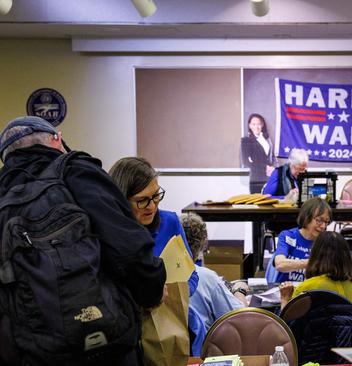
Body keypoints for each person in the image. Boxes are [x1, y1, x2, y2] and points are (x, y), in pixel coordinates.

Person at [0, 116, 166, 365]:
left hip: (31, 352)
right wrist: (152, 290)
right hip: (106, 344)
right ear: (57, 139)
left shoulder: (4, 196)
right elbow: (127, 248)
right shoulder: (75, 171)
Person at [108, 157, 205, 357]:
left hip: (173, 324)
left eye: (156, 196)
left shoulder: (169, 222)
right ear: (121, 199)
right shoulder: (109, 233)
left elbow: (192, 275)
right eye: (142, 200)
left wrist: (171, 293)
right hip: (128, 334)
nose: (152, 206)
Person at [279, 231, 352, 327]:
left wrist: (285, 299)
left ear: (315, 255)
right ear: (346, 255)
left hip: (316, 347)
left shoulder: (307, 287)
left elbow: (288, 325)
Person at [180, 213, 247, 332]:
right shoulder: (206, 277)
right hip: (201, 348)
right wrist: (239, 291)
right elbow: (241, 318)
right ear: (202, 243)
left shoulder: (159, 272)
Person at [266, 197, 331, 283]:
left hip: (310, 292)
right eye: (319, 220)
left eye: (326, 222)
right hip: (284, 290)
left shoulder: (325, 242)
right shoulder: (288, 236)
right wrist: (311, 263)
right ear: (306, 217)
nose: (323, 226)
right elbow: (280, 264)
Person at [240, 113, 276, 194]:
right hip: (257, 179)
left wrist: (274, 168)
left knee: (270, 202)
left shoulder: (267, 139)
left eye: (259, 124)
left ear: (262, 125)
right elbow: (246, 162)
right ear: (249, 125)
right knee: (257, 204)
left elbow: (272, 156)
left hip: (270, 177)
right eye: (254, 124)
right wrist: (265, 168)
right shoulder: (245, 140)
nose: (256, 127)